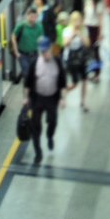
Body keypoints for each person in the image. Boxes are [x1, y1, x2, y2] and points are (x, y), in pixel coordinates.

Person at [23, 36, 67, 164]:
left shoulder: (57, 62)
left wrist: (62, 99)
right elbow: (28, 82)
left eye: (46, 51)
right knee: (35, 126)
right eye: (41, 51)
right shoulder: (35, 63)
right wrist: (25, 98)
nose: (44, 54)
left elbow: (63, 82)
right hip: (37, 98)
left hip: (52, 98)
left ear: (50, 49)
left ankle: (50, 136)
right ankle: (38, 152)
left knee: (52, 121)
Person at [63, 11, 91, 111]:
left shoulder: (84, 30)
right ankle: (63, 92)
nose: (77, 23)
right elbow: (65, 43)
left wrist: (81, 35)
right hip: (71, 59)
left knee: (84, 81)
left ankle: (83, 102)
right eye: (75, 21)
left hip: (81, 58)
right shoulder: (67, 30)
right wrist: (73, 35)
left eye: (79, 20)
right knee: (75, 82)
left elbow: (88, 44)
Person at [11, 7, 44, 82]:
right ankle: (28, 91)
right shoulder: (21, 26)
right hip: (23, 55)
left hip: (35, 54)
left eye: (35, 17)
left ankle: (34, 90)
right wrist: (16, 52)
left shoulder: (39, 26)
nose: (33, 19)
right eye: (31, 16)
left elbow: (41, 39)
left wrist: (41, 52)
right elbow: (13, 37)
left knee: (35, 73)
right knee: (26, 73)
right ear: (27, 16)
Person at [82, 0, 103, 82]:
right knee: (89, 51)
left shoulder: (97, 4)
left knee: (95, 51)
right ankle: (90, 70)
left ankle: (97, 73)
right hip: (87, 27)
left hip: (94, 28)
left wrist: (100, 33)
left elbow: (100, 20)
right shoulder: (87, 2)